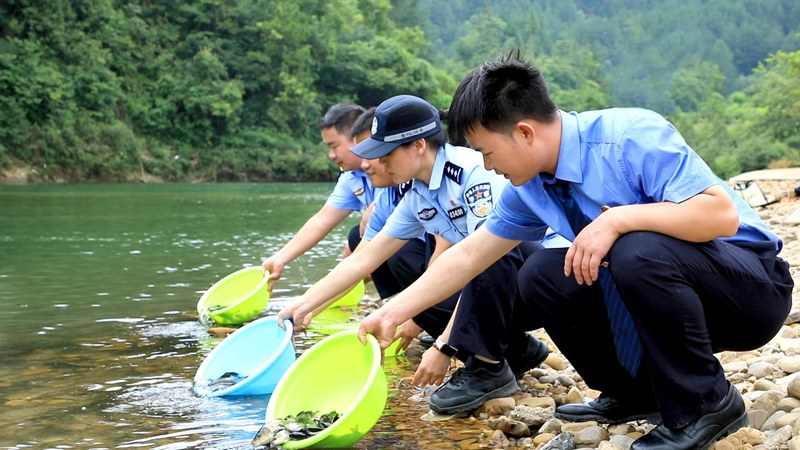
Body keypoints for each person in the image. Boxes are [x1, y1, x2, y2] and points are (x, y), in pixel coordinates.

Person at [357, 51, 794, 450]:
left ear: (524, 132)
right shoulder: (527, 188)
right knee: (543, 272)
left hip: (749, 290)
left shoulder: (629, 136)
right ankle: (636, 393)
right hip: (667, 299)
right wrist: (393, 313)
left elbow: (720, 216)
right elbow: (470, 256)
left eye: (487, 153)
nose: (487, 167)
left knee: (634, 246)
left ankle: (706, 403)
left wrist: (616, 219)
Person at [280, 94, 551, 415]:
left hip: (540, 282)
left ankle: (488, 368)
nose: (378, 164)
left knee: (485, 253)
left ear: (418, 146)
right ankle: (517, 350)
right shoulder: (416, 194)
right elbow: (365, 257)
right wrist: (303, 306)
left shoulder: (471, 173)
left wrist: (444, 346)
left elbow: (484, 256)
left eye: (386, 154)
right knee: (421, 298)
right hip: (499, 287)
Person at [261, 102, 406, 299]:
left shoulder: (399, 168)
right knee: (357, 238)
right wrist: (280, 258)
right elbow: (322, 220)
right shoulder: (351, 177)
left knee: (366, 236)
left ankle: (419, 308)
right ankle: (395, 301)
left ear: (359, 140)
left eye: (334, 146)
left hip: (419, 243)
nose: (331, 155)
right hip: (383, 239)